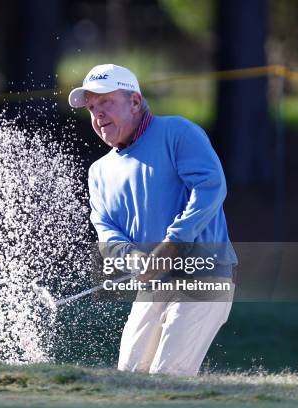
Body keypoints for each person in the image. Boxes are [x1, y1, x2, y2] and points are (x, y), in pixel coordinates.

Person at [68, 64, 238, 376]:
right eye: (92, 107)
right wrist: (132, 258)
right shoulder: (99, 172)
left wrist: (175, 241)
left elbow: (211, 186)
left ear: (135, 102)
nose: (98, 114)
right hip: (152, 285)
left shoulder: (177, 132)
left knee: (167, 379)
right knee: (130, 378)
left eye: (106, 102)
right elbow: (107, 231)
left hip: (203, 276)